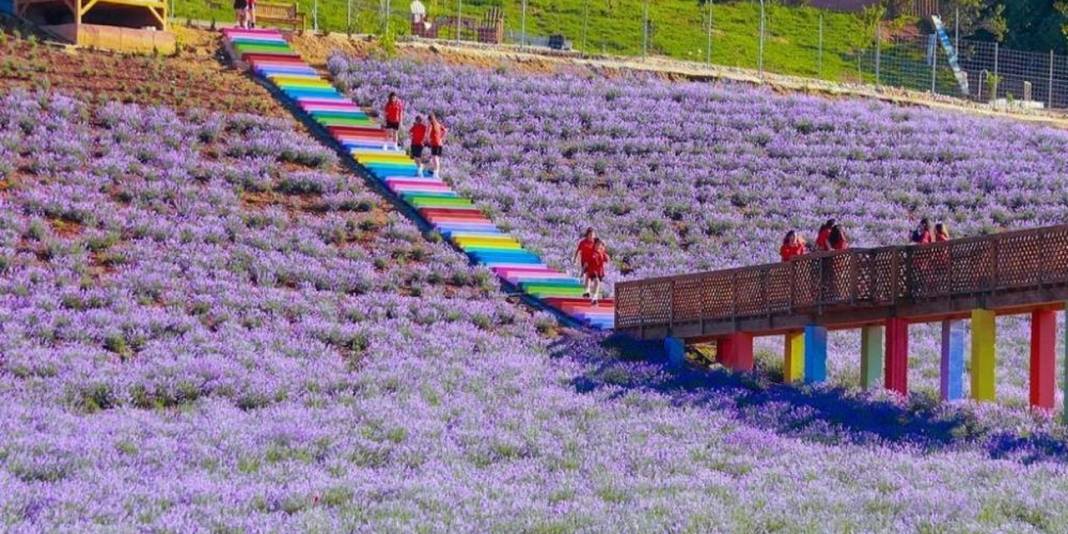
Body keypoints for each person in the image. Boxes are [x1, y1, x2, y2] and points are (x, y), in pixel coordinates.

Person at [585, 239, 610, 305]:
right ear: (595, 244)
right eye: (597, 244)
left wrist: (606, 253)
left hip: (600, 271)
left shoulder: (602, 252)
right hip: (592, 271)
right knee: (597, 282)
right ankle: (595, 296)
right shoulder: (591, 252)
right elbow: (587, 263)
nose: (599, 245)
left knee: (597, 284)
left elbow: (607, 260)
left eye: (600, 244)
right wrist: (583, 271)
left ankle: (595, 297)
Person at [573, 227, 597, 296]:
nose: (591, 236)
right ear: (587, 234)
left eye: (593, 235)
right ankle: (587, 290)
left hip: (592, 262)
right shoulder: (583, 242)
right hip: (584, 261)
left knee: (588, 275)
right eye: (590, 235)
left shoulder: (595, 243)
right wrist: (575, 259)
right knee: (587, 275)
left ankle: (588, 290)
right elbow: (578, 251)